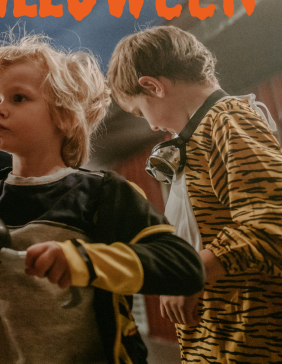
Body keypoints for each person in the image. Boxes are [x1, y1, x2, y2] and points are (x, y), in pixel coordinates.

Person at [0, 33, 205, 364]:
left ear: (65, 115)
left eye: (18, 98)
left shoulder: (104, 194)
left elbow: (184, 267)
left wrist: (86, 261)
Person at [107, 25, 282, 363]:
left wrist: (192, 272)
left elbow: (271, 222)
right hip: (223, 341)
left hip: (249, 344)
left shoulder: (228, 121)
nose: (151, 125)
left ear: (153, 86)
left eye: (140, 112)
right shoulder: (203, 132)